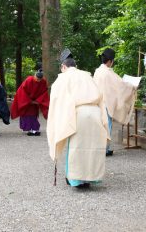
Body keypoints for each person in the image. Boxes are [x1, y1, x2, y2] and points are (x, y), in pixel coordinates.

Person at [47, 50, 109, 188]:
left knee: (76, 147)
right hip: (95, 113)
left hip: (77, 113)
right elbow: (101, 97)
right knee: (92, 146)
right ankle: (91, 178)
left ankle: (75, 179)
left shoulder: (63, 78)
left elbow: (57, 101)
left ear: (64, 67)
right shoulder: (87, 76)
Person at [93, 48, 137, 156]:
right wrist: (132, 87)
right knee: (107, 126)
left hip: (98, 103)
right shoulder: (108, 73)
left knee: (99, 126)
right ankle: (105, 149)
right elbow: (121, 85)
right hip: (106, 104)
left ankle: (99, 148)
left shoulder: (98, 71)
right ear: (110, 61)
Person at [11, 69, 49, 136]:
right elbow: (22, 91)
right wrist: (29, 101)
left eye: (40, 79)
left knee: (34, 115)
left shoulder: (43, 81)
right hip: (26, 101)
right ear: (34, 76)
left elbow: (44, 92)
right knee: (27, 115)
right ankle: (28, 129)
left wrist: (38, 101)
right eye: (37, 79)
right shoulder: (29, 80)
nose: (38, 81)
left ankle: (35, 129)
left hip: (35, 101)